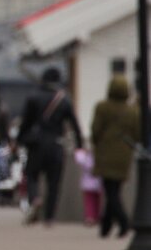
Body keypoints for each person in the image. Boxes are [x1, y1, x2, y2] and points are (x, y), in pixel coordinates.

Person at [17, 67, 83, 226]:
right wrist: (80, 145)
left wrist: (19, 139)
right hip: (56, 144)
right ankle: (49, 217)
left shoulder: (33, 97)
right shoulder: (64, 99)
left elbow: (26, 122)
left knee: (32, 175)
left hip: (36, 144)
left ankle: (35, 198)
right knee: (54, 182)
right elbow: (75, 125)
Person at [90, 74, 140, 238]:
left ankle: (123, 221)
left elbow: (95, 130)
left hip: (105, 153)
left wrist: (96, 143)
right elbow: (137, 134)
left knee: (110, 191)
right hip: (124, 155)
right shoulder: (133, 111)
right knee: (114, 190)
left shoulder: (103, 107)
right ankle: (106, 226)